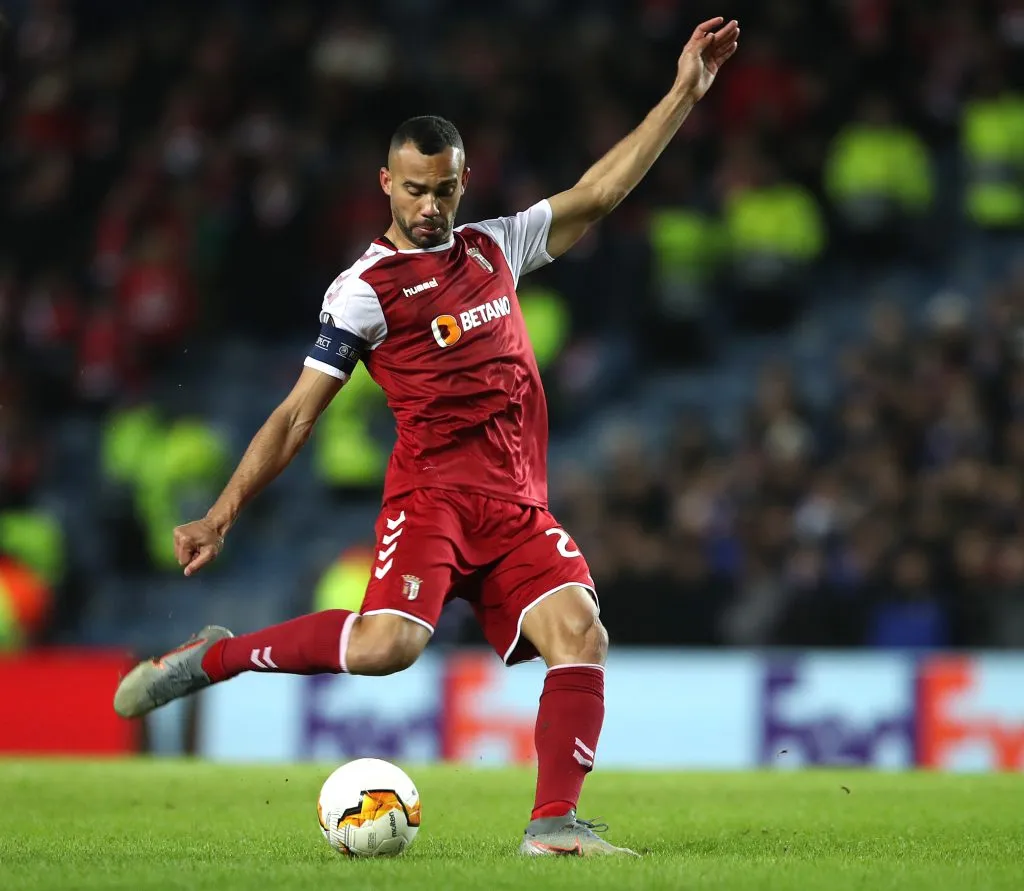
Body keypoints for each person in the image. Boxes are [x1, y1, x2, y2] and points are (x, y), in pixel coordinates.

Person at [114, 17, 740, 857]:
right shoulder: (364, 290)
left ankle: (553, 825)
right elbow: (297, 413)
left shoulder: (495, 247)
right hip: (433, 498)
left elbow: (598, 193)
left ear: (463, 180)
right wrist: (222, 513)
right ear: (386, 183)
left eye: (444, 188)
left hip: (516, 506)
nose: (430, 206)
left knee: (581, 632)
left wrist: (683, 95)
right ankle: (216, 658)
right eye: (414, 189)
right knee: (389, 647)